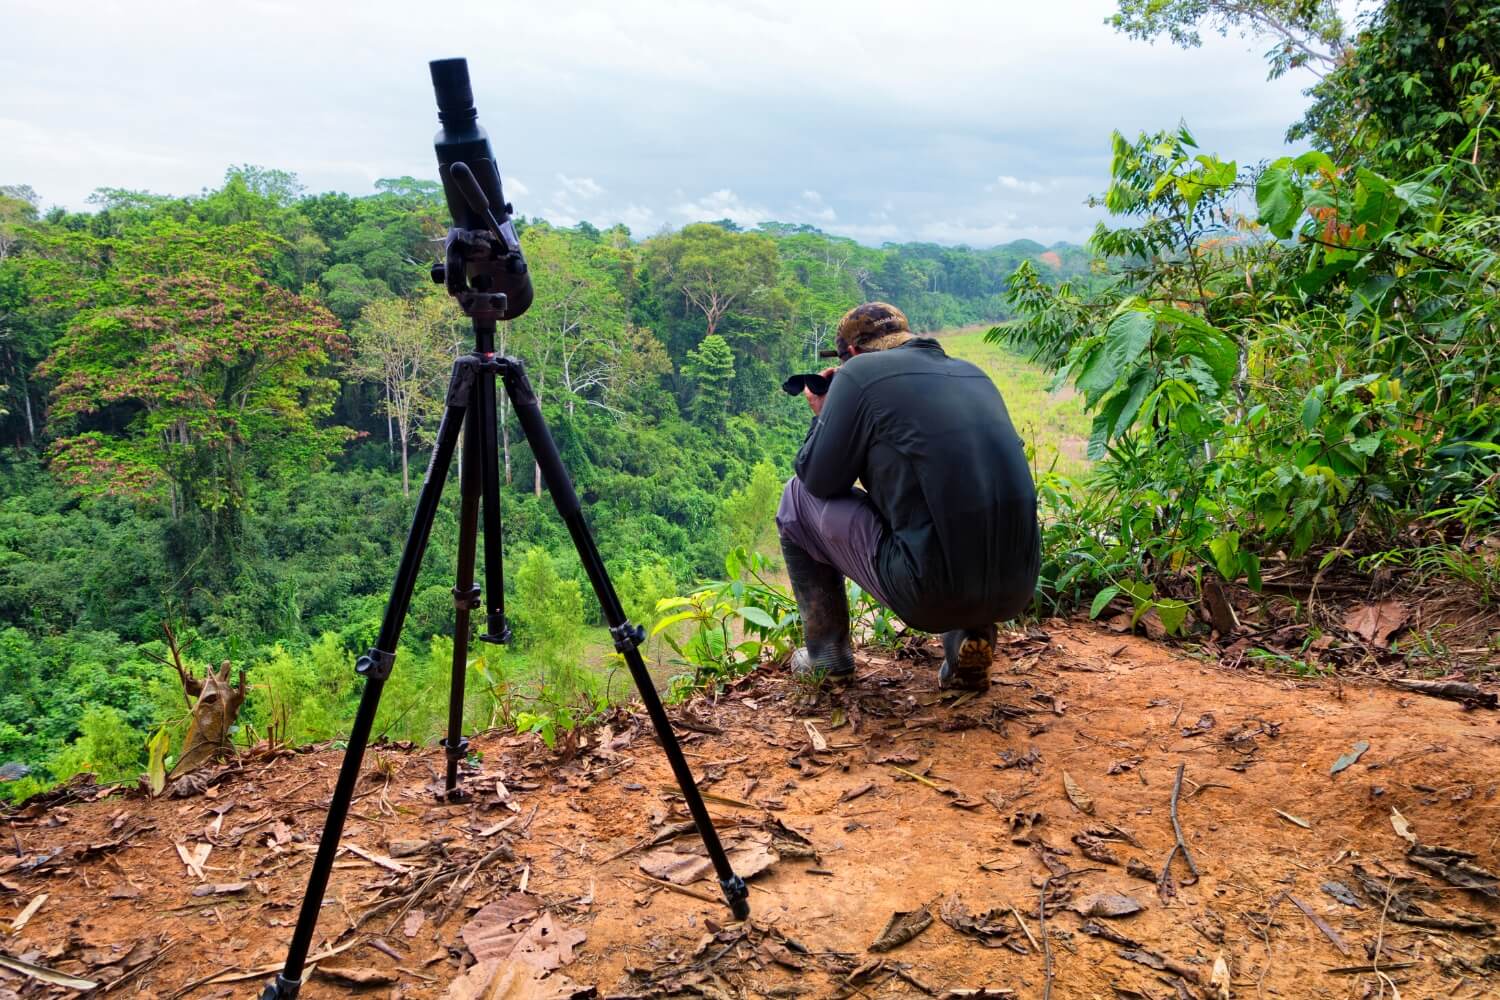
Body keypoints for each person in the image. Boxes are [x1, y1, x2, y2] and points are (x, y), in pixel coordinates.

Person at [775, 302, 1040, 690]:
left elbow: (819, 480)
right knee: (954, 502)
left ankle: (826, 655)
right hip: (1018, 586)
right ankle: (967, 639)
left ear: (850, 353)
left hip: (930, 593)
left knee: (796, 499)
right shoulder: (972, 372)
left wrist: (823, 414)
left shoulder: (859, 374)